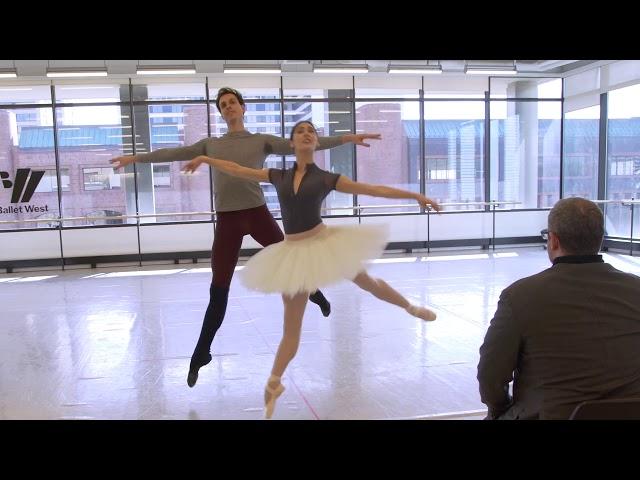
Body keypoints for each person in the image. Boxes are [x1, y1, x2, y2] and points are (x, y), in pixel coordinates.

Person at [110, 87, 381, 388]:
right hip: (227, 221)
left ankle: (316, 295)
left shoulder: (260, 141)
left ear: (243, 107)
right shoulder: (210, 144)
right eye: (223, 105)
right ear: (221, 112)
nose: (228, 107)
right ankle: (201, 353)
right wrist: (135, 158)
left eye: (232, 103)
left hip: (257, 214)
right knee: (218, 289)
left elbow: (303, 144)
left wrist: (347, 138)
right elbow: (172, 153)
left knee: (291, 261)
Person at [182, 120, 441, 418]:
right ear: (291, 143)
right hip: (292, 253)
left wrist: (416, 196)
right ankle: (274, 382)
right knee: (291, 331)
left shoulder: (327, 178)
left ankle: (410, 307)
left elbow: (373, 189)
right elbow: (238, 170)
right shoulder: (277, 175)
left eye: (311, 132)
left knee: (366, 281)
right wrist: (205, 158)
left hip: (323, 242)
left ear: (316, 142)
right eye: (300, 132)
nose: (306, 134)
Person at [477, 197, 640, 420]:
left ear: (553, 241)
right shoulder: (636, 289)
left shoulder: (520, 296)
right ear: (599, 239)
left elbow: (490, 375)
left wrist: (499, 411)